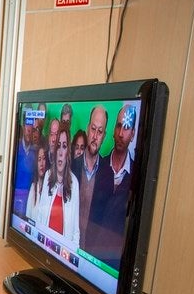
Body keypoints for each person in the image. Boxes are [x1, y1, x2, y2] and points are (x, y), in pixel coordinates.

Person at [84, 104, 138, 268]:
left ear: (133, 134)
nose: (121, 134)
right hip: (87, 260)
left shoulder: (136, 177)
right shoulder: (98, 166)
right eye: (119, 126)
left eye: (127, 128)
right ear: (113, 130)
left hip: (114, 269)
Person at [33, 126, 80, 245]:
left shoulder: (74, 183)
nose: (60, 152)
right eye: (58, 145)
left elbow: (75, 232)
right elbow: (39, 218)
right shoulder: (48, 176)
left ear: (68, 152)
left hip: (63, 256)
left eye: (64, 146)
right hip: (44, 249)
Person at [72, 105, 107, 244]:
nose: (95, 136)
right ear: (87, 129)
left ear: (104, 136)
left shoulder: (108, 174)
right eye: (93, 129)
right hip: (67, 249)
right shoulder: (72, 166)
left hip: (92, 255)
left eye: (100, 131)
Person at [25, 142, 48, 218]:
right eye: (39, 159)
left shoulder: (50, 188)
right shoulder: (33, 187)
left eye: (44, 159)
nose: (42, 163)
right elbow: (28, 216)